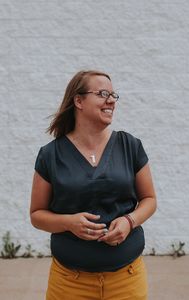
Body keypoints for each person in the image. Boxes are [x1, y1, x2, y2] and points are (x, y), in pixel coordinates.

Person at [30, 70, 157, 300]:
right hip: (69, 284)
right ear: (78, 101)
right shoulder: (50, 155)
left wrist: (130, 221)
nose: (111, 100)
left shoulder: (130, 146)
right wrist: (69, 223)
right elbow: (37, 215)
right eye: (102, 93)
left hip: (127, 281)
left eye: (113, 94)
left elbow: (149, 199)